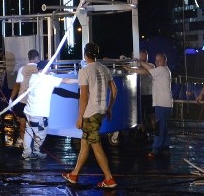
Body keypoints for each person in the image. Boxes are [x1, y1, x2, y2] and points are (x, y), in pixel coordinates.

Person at [62, 43, 119, 188]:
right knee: (85, 144)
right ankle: (74, 174)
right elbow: (114, 90)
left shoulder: (85, 71)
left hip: (90, 113)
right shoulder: (104, 68)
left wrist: (80, 117)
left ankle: (109, 178)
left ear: (85, 54)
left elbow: (83, 96)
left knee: (95, 145)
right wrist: (110, 108)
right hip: (100, 111)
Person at [22, 59, 78, 159]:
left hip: (29, 111)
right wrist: (80, 80)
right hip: (38, 113)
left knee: (29, 131)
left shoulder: (33, 77)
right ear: (46, 68)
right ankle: (36, 151)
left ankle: (26, 153)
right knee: (41, 133)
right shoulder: (48, 79)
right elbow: (65, 81)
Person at [125, 53, 173, 158]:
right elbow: (147, 70)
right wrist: (133, 67)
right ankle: (165, 146)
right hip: (164, 103)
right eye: (156, 60)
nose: (157, 62)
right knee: (163, 125)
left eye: (159, 60)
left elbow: (147, 69)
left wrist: (138, 62)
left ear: (165, 61)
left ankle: (156, 148)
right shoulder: (161, 71)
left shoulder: (162, 70)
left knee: (159, 126)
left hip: (162, 103)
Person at [8, 49, 40, 149]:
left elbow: (17, 86)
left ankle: (26, 149)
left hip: (22, 100)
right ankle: (35, 148)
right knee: (35, 126)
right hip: (34, 101)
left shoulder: (22, 69)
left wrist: (11, 99)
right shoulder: (40, 69)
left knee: (23, 125)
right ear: (37, 58)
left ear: (29, 58)